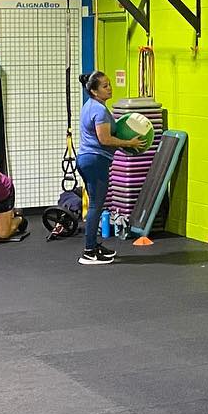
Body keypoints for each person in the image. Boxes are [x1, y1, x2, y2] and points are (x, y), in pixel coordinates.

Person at [76, 71, 150, 267]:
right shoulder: (99, 111)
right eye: (105, 86)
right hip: (95, 161)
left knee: (96, 205)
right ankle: (89, 252)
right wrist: (129, 143)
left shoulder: (90, 106)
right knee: (95, 206)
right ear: (94, 91)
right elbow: (105, 139)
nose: (110, 88)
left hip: (88, 160)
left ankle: (93, 246)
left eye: (109, 84)